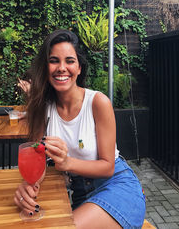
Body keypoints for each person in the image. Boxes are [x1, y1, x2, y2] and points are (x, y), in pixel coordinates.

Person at [14, 29, 145, 228]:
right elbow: (38, 159)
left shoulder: (97, 102)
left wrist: (67, 162)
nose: (61, 68)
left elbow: (108, 166)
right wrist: (30, 185)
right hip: (79, 193)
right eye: (54, 60)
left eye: (69, 61)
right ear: (45, 67)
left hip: (116, 187)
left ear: (79, 68)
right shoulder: (44, 109)